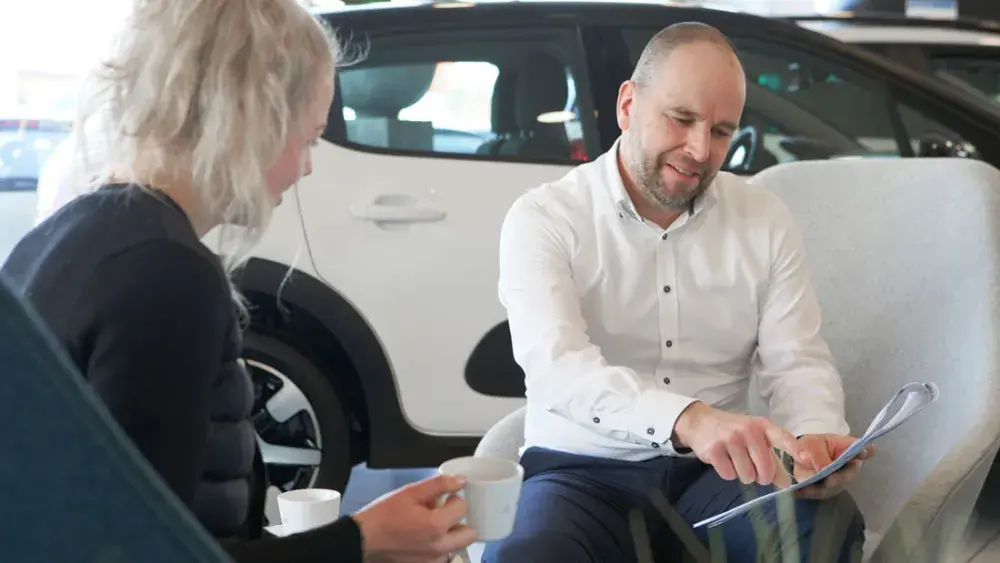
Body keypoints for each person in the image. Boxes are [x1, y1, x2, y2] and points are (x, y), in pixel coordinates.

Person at [0, 1, 475, 562]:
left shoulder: (67, 235)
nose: (307, 166)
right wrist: (364, 541)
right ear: (252, 114)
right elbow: (149, 554)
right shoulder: (166, 277)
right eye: (310, 137)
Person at [483, 22, 875, 563]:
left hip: (717, 477)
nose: (699, 149)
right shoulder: (544, 218)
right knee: (527, 554)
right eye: (682, 118)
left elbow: (797, 361)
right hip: (580, 473)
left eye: (721, 131)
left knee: (826, 525)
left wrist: (815, 439)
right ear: (627, 104)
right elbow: (558, 369)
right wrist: (689, 418)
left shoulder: (765, 219)